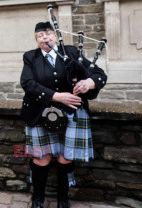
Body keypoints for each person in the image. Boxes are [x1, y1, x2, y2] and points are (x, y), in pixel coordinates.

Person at [20, 22, 107, 208]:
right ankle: (37, 199)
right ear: (36, 40)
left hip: (71, 114)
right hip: (41, 112)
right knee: (41, 158)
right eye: (40, 35)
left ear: (57, 36)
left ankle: (63, 199)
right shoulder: (30, 57)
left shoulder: (71, 53)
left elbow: (99, 74)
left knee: (65, 157)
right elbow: (27, 83)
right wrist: (58, 96)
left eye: (49, 34)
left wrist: (89, 83)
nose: (45, 38)